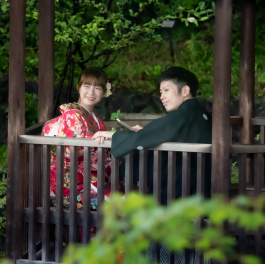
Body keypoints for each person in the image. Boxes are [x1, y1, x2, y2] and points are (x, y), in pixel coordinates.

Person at [93, 66, 212, 203]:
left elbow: (157, 132)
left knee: (143, 150)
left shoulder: (184, 115)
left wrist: (114, 136)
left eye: (166, 90)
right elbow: (160, 132)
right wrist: (143, 133)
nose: (162, 96)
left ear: (185, 90)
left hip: (184, 187)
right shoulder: (198, 113)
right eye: (161, 92)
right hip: (201, 184)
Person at [41, 67, 113, 208]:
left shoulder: (98, 121)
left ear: (104, 92)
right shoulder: (72, 115)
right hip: (71, 184)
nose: (91, 92)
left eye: (97, 88)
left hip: (91, 178)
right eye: (86, 86)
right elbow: (71, 151)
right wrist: (96, 140)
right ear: (79, 88)